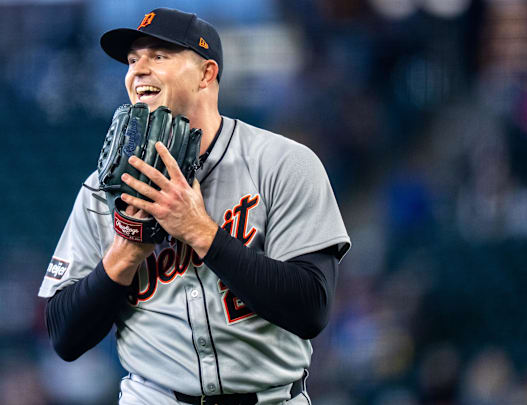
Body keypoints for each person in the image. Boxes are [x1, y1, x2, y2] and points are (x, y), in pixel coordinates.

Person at [38, 8, 351, 405]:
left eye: (159, 56)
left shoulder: (283, 163)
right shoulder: (103, 187)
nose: (138, 69)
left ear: (206, 74)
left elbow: (311, 309)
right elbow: (64, 338)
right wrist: (126, 252)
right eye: (133, 60)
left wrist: (201, 232)